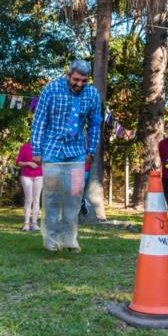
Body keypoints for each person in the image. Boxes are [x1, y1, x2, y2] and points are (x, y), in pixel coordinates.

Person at [31, 60, 101, 252]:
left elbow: (94, 124)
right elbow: (39, 122)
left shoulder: (92, 94)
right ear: (68, 75)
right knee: (52, 197)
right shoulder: (51, 89)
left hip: (77, 152)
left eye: (84, 81)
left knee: (74, 197)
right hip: (52, 151)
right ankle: (51, 240)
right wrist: (36, 150)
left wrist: (91, 150)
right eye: (76, 79)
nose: (79, 84)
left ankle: (70, 239)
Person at [16, 140, 42, 231]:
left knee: (36, 200)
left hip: (39, 176)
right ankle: (26, 223)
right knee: (28, 200)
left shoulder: (42, 146)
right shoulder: (25, 147)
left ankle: (34, 223)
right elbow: (18, 162)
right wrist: (29, 163)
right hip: (26, 176)